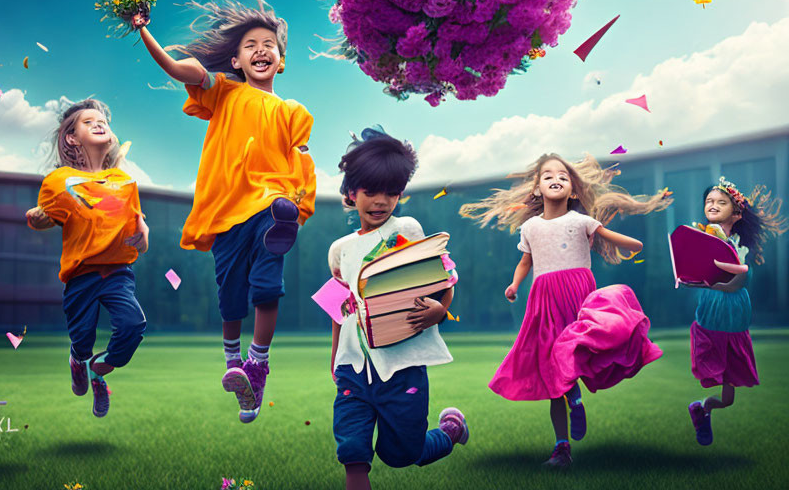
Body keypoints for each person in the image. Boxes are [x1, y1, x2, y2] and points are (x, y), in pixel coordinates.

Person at [132, 0, 316, 423]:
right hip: (226, 212)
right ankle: (235, 366)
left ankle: (259, 360)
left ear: (281, 59)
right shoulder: (225, 92)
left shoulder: (294, 111)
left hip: (272, 204)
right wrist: (145, 31)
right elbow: (182, 70)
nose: (259, 50)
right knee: (231, 296)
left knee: (267, 284)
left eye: (268, 45)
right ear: (235, 61)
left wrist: (299, 203)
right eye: (249, 46)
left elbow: (302, 159)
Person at [460, 153, 671, 469]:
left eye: (563, 175)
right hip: (544, 302)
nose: (555, 178)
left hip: (578, 297)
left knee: (574, 351)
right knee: (550, 368)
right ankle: (562, 445)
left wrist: (633, 244)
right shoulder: (530, 227)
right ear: (536, 189)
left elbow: (612, 238)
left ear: (573, 190)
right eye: (547, 175)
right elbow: (525, 262)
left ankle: (574, 399)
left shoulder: (582, 221)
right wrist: (515, 285)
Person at [329, 128, 468, 490]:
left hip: (402, 366)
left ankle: (450, 432)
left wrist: (440, 310)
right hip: (354, 370)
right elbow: (338, 308)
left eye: (391, 192)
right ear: (350, 193)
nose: (381, 201)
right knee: (353, 453)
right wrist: (335, 359)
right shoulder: (339, 250)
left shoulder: (405, 229)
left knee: (401, 453)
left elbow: (440, 280)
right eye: (370, 191)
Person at [26, 99, 148, 418]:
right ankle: (78, 358)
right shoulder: (59, 180)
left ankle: (98, 369)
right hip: (81, 275)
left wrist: (143, 233)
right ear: (71, 137)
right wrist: (39, 218)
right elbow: (47, 215)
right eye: (88, 121)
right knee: (83, 337)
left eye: (102, 121)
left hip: (118, 272)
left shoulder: (125, 182)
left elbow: (137, 220)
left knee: (133, 326)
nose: (99, 123)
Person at [685, 177, 785, 445]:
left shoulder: (741, 243)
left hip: (735, 317)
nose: (713, 205)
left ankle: (702, 408)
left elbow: (738, 281)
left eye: (721, 201)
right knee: (711, 365)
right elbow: (695, 270)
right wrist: (689, 278)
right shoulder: (700, 236)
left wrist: (712, 280)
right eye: (709, 201)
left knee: (727, 399)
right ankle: (702, 410)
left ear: (737, 213)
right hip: (710, 315)